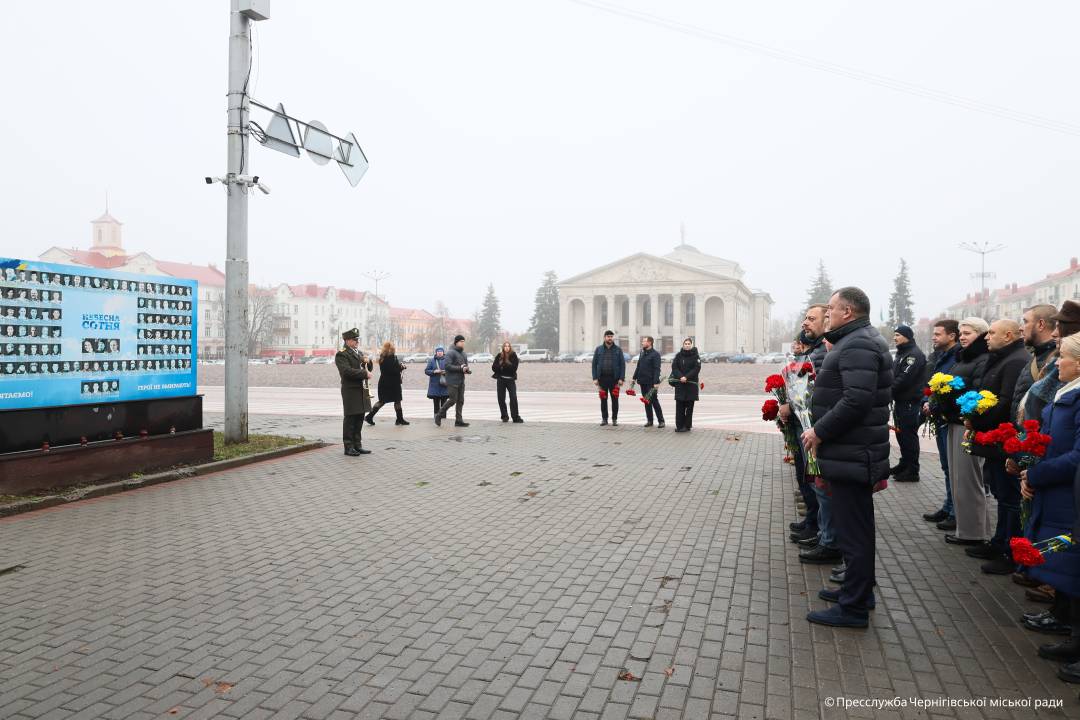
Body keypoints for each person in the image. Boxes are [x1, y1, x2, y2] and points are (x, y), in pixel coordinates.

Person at [802, 287, 891, 628]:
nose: (828, 314)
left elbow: (856, 400)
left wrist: (819, 430)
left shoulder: (859, 344)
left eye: (833, 309)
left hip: (852, 451)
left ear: (848, 313)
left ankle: (853, 607)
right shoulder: (857, 340)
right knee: (857, 530)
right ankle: (858, 591)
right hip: (852, 451)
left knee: (854, 533)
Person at [1016, 333, 1080, 659]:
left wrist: (1037, 475)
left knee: (1070, 562)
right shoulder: (1065, 392)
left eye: (1063, 356)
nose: (1056, 363)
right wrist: (1031, 471)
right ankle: (1060, 615)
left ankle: (1072, 635)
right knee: (1060, 560)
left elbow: (1076, 455)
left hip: (1068, 492)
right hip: (1052, 488)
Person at [968, 319, 1029, 575]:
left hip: (1001, 438)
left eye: (991, 333)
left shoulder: (1014, 360)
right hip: (993, 438)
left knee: (1009, 498)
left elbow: (1005, 402)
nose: (987, 337)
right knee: (1002, 496)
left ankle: (1008, 550)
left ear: (1007, 336)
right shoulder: (1001, 358)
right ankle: (998, 542)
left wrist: (976, 418)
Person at [941, 318, 992, 549]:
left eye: (968, 333)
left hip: (967, 423)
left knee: (969, 480)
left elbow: (977, 390)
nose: (962, 336)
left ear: (981, 335)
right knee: (958, 479)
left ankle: (974, 532)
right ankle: (965, 529)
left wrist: (952, 395)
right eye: (960, 332)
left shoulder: (982, 359)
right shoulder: (964, 356)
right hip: (954, 420)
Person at [922, 319, 961, 529]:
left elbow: (951, 386)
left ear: (951, 336)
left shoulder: (957, 357)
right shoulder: (940, 356)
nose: (933, 338)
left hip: (949, 416)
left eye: (938, 334)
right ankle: (948, 506)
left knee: (953, 469)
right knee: (946, 467)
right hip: (940, 416)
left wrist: (936, 404)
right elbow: (931, 383)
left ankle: (955, 511)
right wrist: (928, 401)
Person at [890, 324, 927, 482]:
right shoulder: (902, 353)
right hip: (901, 401)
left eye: (898, 335)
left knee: (908, 436)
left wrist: (887, 391)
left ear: (907, 336)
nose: (894, 337)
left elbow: (904, 379)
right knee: (901, 434)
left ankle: (912, 470)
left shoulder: (913, 355)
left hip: (910, 402)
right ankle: (904, 463)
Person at [1013, 304, 1059, 421]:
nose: (1020, 328)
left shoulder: (1056, 360)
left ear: (1041, 324)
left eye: (1025, 322)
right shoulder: (1037, 356)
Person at [334, 328, 373, 456]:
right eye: (354, 340)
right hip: (350, 390)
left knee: (360, 418)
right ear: (347, 340)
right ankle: (348, 446)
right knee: (350, 418)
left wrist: (369, 361)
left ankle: (357, 444)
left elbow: (368, 367)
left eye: (358, 340)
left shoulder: (358, 353)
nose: (357, 342)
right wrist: (364, 373)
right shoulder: (342, 354)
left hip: (361, 389)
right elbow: (346, 372)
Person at [366, 341, 409, 426]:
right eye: (393, 348)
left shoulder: (383, 357)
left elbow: (391, 368)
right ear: (391, 349)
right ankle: (369, 417)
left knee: (389, 401)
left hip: (385, 383)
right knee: (394, 400)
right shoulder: (390, 357)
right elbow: (393, 370)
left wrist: (399, 366)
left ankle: (399, 419)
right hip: (391, 383)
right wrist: (401, 367)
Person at [591, 330, 625, 426]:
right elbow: (594, 365)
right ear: (604, 337)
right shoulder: (599, 349)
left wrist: (621, 378)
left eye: (611, 336)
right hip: (602, 379)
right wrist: (595, 378)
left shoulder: (618, 350)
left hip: (615, 380)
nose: (610, 338)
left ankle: (614, 419)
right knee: (603, 400)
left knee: (615, 400)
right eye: (608, 336)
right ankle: (604, 419)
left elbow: (622, 365)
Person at [436, 335, 470, 427]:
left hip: (461, 381)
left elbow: (465, 366)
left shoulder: (464, 354)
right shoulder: (450, 353)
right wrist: (460, 368)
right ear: (456, 342)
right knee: (452, 400)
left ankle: (458, 420)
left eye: (464, 341)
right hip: (452, 381)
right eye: (461, 341)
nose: (463, 343)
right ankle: (439, 415)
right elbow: (447, 366)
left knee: (460, 401)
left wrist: (467, 370)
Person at [631, 336, 664, 428]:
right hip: (642, 381)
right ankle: (650, 420)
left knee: (654, 401)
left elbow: (657, 369)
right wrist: (634, 378)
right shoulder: (642, 353)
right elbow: (638, 367)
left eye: (644, 341)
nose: (642, 343)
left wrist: (656, 382)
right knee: (646, 401)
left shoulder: (655, 354)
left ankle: (661, 421)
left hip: (651, 382)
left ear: (650, 343)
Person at [671, 337, 701, 432]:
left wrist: (686, 377)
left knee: (689, 407)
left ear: (691, 345)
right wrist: (680, 377)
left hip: (691, 386)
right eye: (685, 343)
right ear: (683, 345)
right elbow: (674, 368)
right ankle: (679, 426)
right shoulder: (678, 356)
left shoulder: (696, 356)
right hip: (680, 385)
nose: (687, 345)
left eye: (689, 344)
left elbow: (696, 369)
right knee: (679, 406)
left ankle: (687, 426)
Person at [492, 341, 523, 423]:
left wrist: (503, 366)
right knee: (501, 398)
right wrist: (502, 367)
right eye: (505, 346)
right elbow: (494, 367)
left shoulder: (513, 355)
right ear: (503, 347)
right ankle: (504, 416)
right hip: (501, 380)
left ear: (510, 347)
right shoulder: (499, 355)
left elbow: (514, 368)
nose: (507, 347)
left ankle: (515, 417)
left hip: (510, 380)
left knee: (513, 397)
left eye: (508, 346)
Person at [425, 346, 449, 415]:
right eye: (438, 351)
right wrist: (434, 371)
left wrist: (445, 372)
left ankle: (443, 418)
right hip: (434, 386)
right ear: (436, 352)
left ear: (443, 352)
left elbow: (451, 370)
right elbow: (426, 371)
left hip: (444, 386)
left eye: (441, 351)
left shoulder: (447, 360)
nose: (439, 353)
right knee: (436, 405)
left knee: (444, 405)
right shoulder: (432, 361)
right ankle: (436, 418)